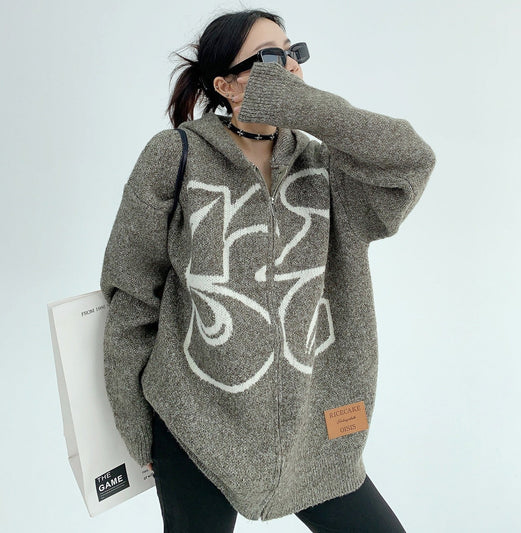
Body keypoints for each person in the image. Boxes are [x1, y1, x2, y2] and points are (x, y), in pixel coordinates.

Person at [100, 8, 436, 533]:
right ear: (226, 85)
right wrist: (134, 420)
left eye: (293, 53)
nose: (292, 67)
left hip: (311, 432)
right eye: (271, 58)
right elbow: (132, 294)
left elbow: (412, 161)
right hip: (193, 424)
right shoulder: (174, 156)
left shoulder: (326, 167)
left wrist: (308, 108)